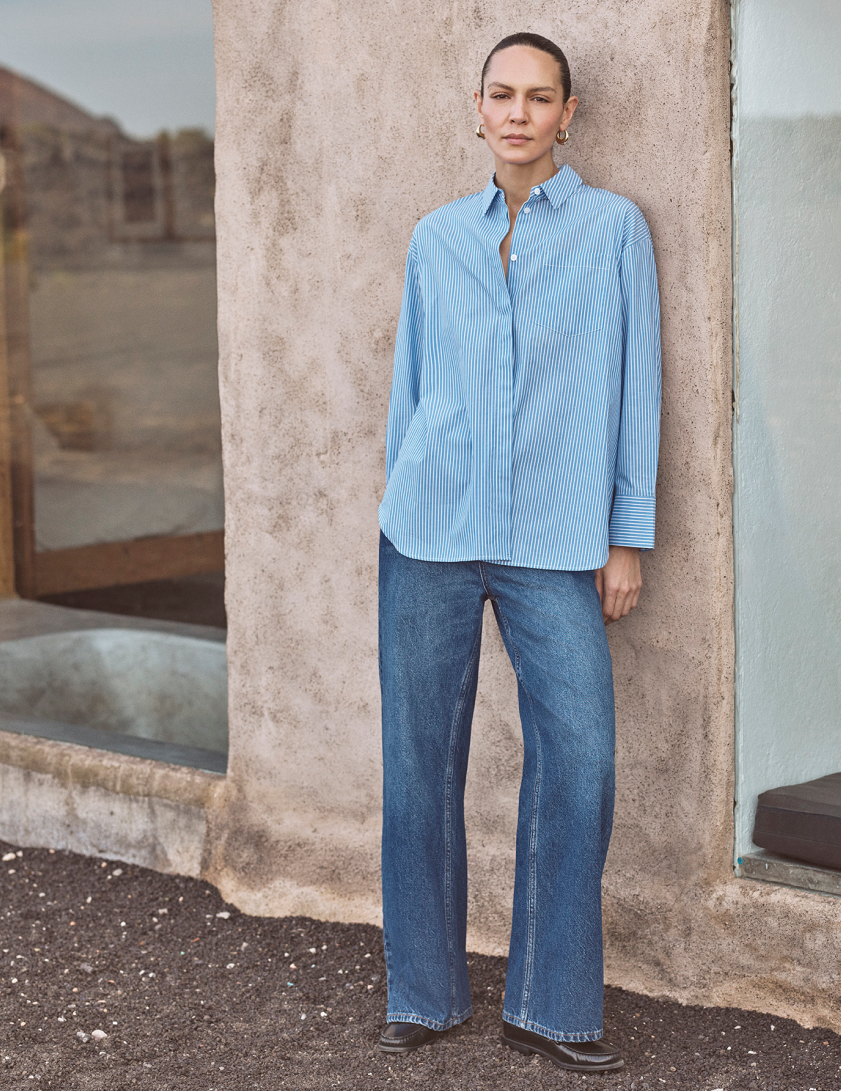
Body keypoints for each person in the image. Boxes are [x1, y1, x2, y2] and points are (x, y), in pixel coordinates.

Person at [376, 32, 661, 1075]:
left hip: (553, 541)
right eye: (501, 94)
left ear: (567, 113)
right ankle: (422, 991)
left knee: (577, 758)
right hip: (429, 530)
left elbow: (636, 387)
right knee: (416, 767)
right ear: (479, 106)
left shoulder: (611, 230)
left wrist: (624, 534)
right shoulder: (435, 237)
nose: (516, 113)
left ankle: (549, 1004)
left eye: (538, 97)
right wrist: (399, 496)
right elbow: (412, 388)